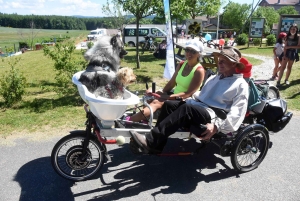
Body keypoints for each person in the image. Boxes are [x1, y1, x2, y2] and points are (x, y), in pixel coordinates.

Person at [130, 46, 249, 154]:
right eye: (220, 60)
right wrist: (182, 98)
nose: (220, 63)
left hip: (214, 114)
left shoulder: (240, 84)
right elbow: (202, 95)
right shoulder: (215, 78)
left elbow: (238, 112)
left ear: (234, 64)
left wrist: (217, 126)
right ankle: (157, 145)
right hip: (200, 106)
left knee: (187, 109)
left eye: (224, 61)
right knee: (169, 104)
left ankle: (151, 140)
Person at [125, 40, 205, 123]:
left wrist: (166, 97)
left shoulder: (199, 70)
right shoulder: (182, 64)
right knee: (149, 91)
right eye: (187, 50)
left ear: (199, 54)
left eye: (193, 51)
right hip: (174, 94)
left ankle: (129, 120)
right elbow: (172, 82)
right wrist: (161, 92)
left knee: (157, 102)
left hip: (185, 100)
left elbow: (188, 93)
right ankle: (145, 119)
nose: (189, 53)